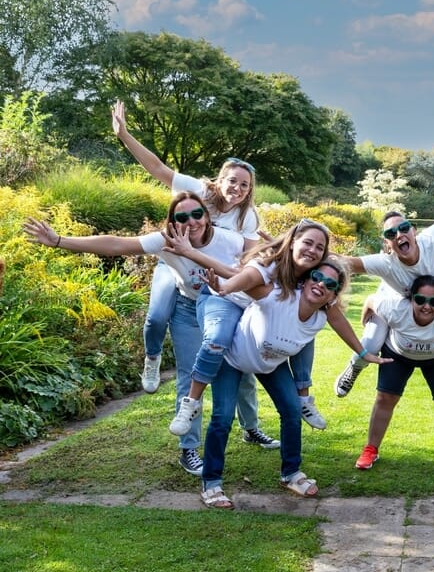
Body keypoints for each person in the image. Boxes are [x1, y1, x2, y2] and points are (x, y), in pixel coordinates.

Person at [23, 193, 244, 476]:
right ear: (172, 222)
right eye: (181, 217)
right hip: (188, 310)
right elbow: (116, 244)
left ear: (207, 215)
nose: (191, 222)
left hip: (224, 309)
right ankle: (188, 450)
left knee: (238, 376)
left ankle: (251, 429)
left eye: (197, 214)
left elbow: (263, 254)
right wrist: (58, 240)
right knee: (189, 377)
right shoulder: (166, 240)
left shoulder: (228, 240)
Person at [111, 102, 278, 449]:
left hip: (221, 291)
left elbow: (253, 257)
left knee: (240, 366)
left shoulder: (246, 220)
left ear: (250, 190)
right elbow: (157, 168)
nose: (237, 188)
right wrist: (125, 135)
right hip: (176, 269)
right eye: (232, 181)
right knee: (157, 316)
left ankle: (251, 427)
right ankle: (153, 359)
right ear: (220, 179)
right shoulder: (198, 194)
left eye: (245, 185)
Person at [199, 259, 390, 508]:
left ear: (333, 295)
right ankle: (211, 483)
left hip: (269, 363)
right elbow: (245, 280)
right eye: (316, 277)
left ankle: (291, 473)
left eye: (329, 284)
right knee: (222, 417)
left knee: (292, 410)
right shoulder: (277, 296)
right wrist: (222, 285)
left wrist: (363, 353)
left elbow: (341, 323)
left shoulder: (320, 318)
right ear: (305, 279)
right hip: (233, 358)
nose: (321, 285)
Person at [334, 161, 434, 397]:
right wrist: (307, 250)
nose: (399, 234)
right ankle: (355, 367)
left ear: (413, 230)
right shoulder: (386, 263)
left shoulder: (432, 241)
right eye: (390, 234)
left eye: (404, 228)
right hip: (398, 301)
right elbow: (347, 262)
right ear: (387, 244)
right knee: (371, 342)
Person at [168, 218, 332, 433]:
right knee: (218, 339)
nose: (312, 250)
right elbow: (232, 275)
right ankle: (191, 402)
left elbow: (335, 303)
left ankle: (302, 400)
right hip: (229, 299)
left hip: (255, 310)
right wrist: (192, 255)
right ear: (293, 242)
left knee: (304, 333)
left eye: (319, 247)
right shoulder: (268, 263)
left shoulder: (312, 274)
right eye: (307, 243)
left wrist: (361, 352)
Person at [353, 275, 434, 475]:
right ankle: (371, 449)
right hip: (399, 353)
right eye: (420, 299)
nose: (427, 306)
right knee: (385, 398)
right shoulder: (394, 309)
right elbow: (370, 301)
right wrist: (364, 323)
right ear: (410, 299)